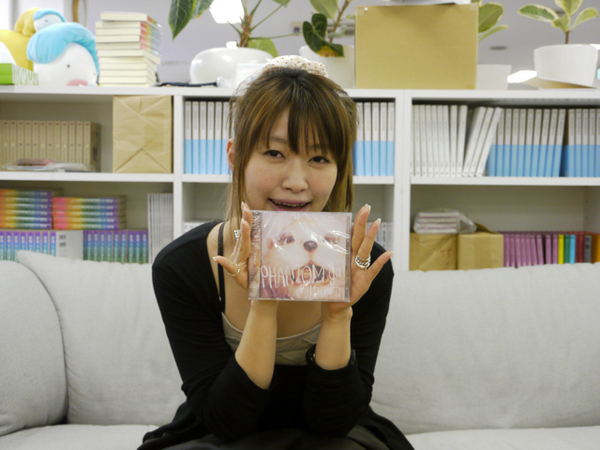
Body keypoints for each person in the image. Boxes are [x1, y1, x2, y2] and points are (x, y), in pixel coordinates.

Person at [139, 56, 414, 450]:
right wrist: (264, 304)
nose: (297, 182)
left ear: (340, 168)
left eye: (319, 158)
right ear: (235, 156)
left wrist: (337, 314)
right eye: (275, 153)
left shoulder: (365, 267)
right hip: (219, 435)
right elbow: (227, 422)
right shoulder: (182, 266)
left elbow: (334, 422)